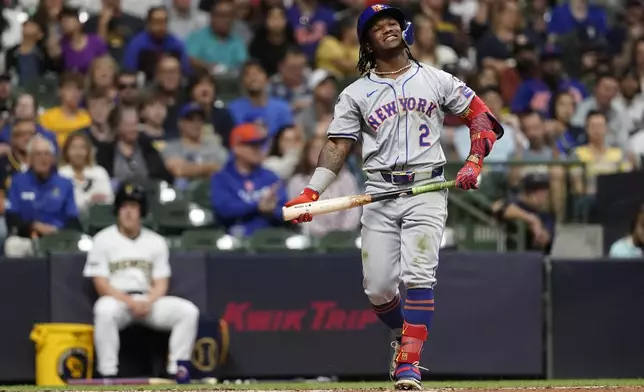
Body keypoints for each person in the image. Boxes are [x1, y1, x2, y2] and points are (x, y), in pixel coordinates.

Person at [283, 5, 504, 389]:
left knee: (419, 274)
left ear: (406, 31)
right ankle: (406, 336)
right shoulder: (356, 93)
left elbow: (482, 118)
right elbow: (338, 144)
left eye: (392, 22)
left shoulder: (435, 79)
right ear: (366, 41)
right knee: (379, 288)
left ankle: (409, 365)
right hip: (380, 191)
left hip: (427, 187)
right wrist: (311, 191)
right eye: (376, 26)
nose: (386, 28)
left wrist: (473, 161)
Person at [83, 182, 199, 378]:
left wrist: (148, 302)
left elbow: (161, 282)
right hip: (118, 301)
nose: (128, 212)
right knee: (103, 310)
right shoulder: (102, 240)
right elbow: (101, 284)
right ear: (118, 210)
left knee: (188, 312)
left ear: (141, 211)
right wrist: (129, 302)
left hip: (148, 301)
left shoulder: (155, 241)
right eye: (124, 207)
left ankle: (177, 371)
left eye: (134, 207)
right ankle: (107, 374)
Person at [4, 135, 81, 257]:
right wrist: (34, 226)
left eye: (47, 154)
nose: (43, 159)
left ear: (52, 158)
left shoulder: (65, 183)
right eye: (38, 154)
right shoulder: (17, 181)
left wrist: (56, 231)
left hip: (59, 238)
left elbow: (72, 218)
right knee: (12, 245)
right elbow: (12, 216)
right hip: (28, 237)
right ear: (29, 158)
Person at [210, 123, 288, 237]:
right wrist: (257, 207)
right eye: (252, 145)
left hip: (271, 239)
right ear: (236, 148)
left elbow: (287, 210)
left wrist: (273, 210)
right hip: (236, 240)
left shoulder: (270, 177)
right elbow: (224, 210)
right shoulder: (222, 178)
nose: (258, 149)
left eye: (259, 145)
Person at [288, 136, 361, 238]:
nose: (317, 153)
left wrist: (343, 232)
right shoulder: (297, 182)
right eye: (313, 149)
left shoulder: (346, 178)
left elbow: (353, 210)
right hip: (312, 238)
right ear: (306, 153)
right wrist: (323, 234)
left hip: (345, 237)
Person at [58, 132, 114, 214]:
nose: (78, 152)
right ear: (66, 151)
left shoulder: (99, 172)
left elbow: (109, 199)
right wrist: (90, 200)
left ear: (88, 151)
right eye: (73, 148)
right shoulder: (61, 174)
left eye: (82, 147)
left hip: (99, 217)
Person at [38, 73, 92, 148]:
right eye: (69, 88)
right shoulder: (47, 117)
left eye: (78, 89)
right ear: (59, 91)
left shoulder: (87, 117)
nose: (75, 93)